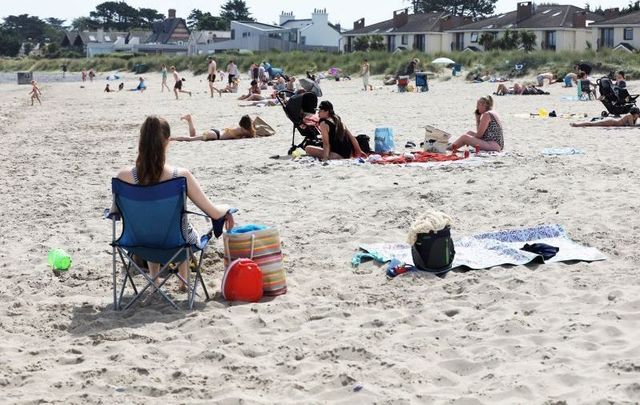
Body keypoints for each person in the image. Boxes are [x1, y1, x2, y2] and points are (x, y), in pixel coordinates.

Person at [113, 116, 235, 291]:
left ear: (142, 141)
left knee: (150, 222)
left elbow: (114, 213)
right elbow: (214, 213)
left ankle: (154, 282)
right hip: (176, 245)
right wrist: (227, 208)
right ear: (167, 141)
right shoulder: (181, 176)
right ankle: (183, 283)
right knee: (181, 228)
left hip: (137, 244)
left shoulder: (122, 177)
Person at [172, 114, 256, 141]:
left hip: (215, 132)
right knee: (191, 139)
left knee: (193, 136)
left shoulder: (241, 128)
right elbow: (253, 134)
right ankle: (172, 138)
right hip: (214, 135)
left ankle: (190, 120)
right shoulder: (245, 131)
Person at [570, 107, 640, 127]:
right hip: (611, 122)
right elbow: (632, 125)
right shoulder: (630, 116)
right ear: (634, 113)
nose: (638, 115)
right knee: (592, 124)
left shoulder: (634, 117)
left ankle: (576, 124)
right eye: (638, 113)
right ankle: (576, 124)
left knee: (592, 123)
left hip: (613, 122)